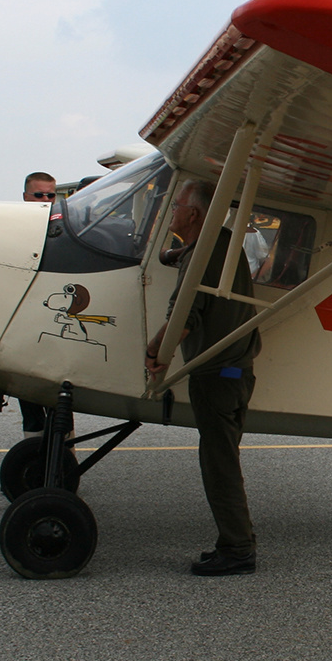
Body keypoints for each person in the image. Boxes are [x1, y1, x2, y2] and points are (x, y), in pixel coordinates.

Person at [147, 181, 261, 577]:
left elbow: (184, 317)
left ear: (193, 214)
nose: (172, 211)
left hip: (217, 378)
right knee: (220, 461)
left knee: (219, 465)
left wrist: (155, 353)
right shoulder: (219, 242)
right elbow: (186, 256)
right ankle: (237, 539)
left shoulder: (205, 252)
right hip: (233, 375)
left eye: (176, 205)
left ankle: (238, 549)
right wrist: (169, 254)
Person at [20, 173, 58, 439]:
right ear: (25, 197)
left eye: (50, 195)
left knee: (59, 397)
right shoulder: (14, 230)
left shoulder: (61, 229)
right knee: (26, 392)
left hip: (51, 321)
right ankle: (33, 449)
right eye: (39, 195)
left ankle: (65, 453)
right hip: (23, 325)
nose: (45, 200)